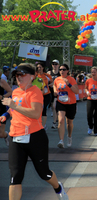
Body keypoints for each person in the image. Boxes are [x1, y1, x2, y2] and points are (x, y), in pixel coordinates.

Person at [0, 63, 68, 200]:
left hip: (35, 137)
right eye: (16, 75)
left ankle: (58, 187)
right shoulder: (16, 91)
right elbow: (12, 109)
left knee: (44, 173)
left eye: (22, 75)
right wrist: (5, 115)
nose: (18, 78)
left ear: (32, 76)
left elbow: (36, 113)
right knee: (15, 177)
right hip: (15, 136)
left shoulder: (35, 91)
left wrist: (14, 105)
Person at [53, 64, 79, 148]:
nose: (62, 71)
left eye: (64, 69)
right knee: (60, 120)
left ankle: (69, 136)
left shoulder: (71, 79)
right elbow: (54, 86)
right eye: (60, 69)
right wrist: (55, 91)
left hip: (71, 103)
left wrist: (69, 84)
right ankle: (61, 140)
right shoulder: (57, 79)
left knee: (69, 123)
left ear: (67, 71)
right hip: (61, 102)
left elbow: (76, 91)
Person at [36, 62, 53, 129]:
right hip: (37, 95)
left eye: (40, 67)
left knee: (44, 109)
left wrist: (47, 86)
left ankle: (43, 126)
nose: (39, 68)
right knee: (38, 110)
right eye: (38, 67)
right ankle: (38, 124)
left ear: (43, 68)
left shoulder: (47, 75)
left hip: (46, 95)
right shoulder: (35, 75)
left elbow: (52, 83)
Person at [47, 59, 61, 129]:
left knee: (55, 107)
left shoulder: (60, 73)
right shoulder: (49, 73)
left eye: (56, 64)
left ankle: (55, 122)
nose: (54, 65)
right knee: (53, 107)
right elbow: (46, 81)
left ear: (58, 65)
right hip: (51, 91)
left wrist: (54, 83)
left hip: (58, 91)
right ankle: (55, 121)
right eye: (53, 64)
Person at [0, 71, 12, 146]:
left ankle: (6, 135)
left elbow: (10, 92)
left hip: (0, 108)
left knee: (1, 134)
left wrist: (3, 97)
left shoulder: (2, 81)